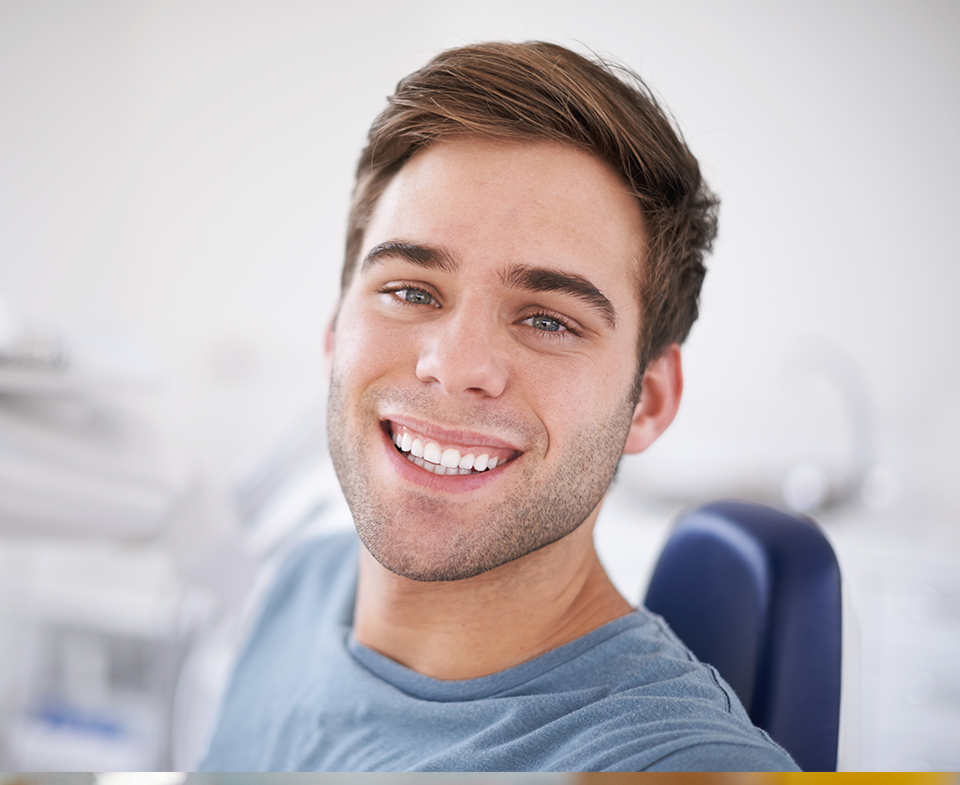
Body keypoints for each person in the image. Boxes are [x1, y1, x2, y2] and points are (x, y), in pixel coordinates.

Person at [200, 41, 799, 772]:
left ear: (649, 401)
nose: (453, 366)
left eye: (548, 319)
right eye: (411, 291)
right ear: (335, 329)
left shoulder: (668, 762)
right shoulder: (305, 583)